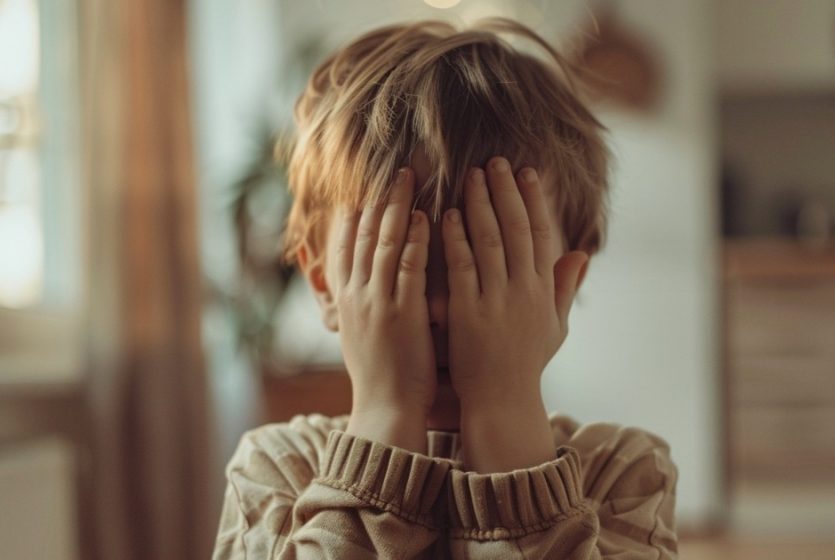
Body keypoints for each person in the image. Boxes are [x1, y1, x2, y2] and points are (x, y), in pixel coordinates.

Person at [213, 17, 678, 559]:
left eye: (487, 264)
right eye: (397, 269)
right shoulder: (276, 470)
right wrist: (384, 419)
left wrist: (506, 419)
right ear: (324, 284)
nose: (438, 310)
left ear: (562, 289)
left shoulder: (624, 473)